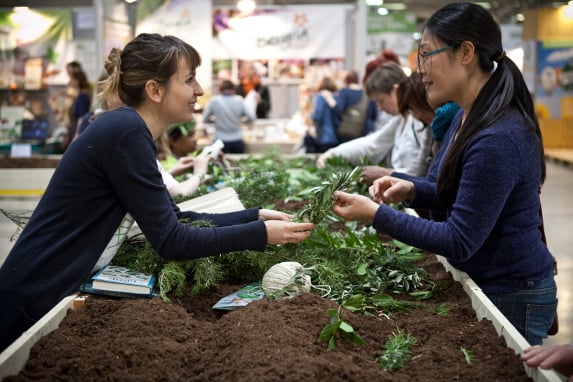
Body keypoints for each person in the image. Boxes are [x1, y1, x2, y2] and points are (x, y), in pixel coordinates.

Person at [0, 33, 315, 353]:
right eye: (189, 80)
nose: (199, 91)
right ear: (154, 90)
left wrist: (254, 215)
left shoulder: (127, 130)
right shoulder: (125, 133)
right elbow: (171, 241)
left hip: (40, 288)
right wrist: (261, 233)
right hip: (33, 297)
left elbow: (174, 219)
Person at [331, 2, 556, 346]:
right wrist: (412, 189)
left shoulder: (498, 135)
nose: (420, 70)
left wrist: (376, 214)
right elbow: (456, 192)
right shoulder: (466, 117)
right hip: (488, 280)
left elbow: (459, 240)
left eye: (425, 55)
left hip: (512, 290)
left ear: (465, 53)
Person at [316, 65, 431, 179]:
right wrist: (333, 153)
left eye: (381, 101)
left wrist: (386, 174)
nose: (380, 108)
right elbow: (372, 144)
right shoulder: (400, 120)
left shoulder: (420, 120)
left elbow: (421, 171)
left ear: (396, 91)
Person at [359, 101, 460, 186]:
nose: (417, 116)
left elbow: (430, 181)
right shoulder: (436, 124)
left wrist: (388, 175)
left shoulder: (448, 121)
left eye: (381, 100)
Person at [202, 79, 255, 154]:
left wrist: (216, 121)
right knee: (237, 164)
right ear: (233, 89)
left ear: (220, 89)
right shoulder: (239, 100)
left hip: (219, 140)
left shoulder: (214, 101)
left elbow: (205, 118)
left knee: (219, 164)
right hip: (237, 139)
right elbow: (251, 118)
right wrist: (241, 121)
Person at [334, 70, 378, 141]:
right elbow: (374, 114)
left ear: (346, 80)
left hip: (348, 132)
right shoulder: (367, 93)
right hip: (366, 131)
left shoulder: (344, 92)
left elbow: (339, 109)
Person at [305, 76, 340, 153]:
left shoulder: (320, 97)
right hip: (337, 136)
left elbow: (317, 115)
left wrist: (311, 119)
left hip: (324, 136)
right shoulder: (336, 96)